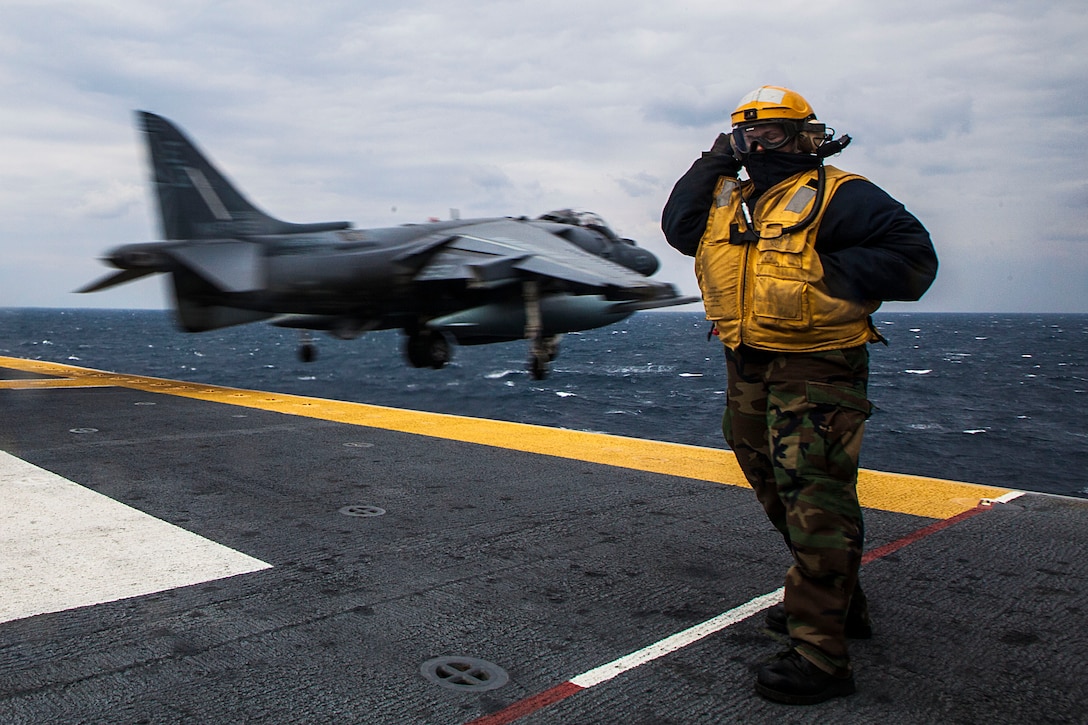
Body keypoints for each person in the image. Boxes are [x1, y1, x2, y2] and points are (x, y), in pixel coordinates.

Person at [661, 86, 938, 705]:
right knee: (770, 478)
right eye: (748, 136)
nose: (760, 147)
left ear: (806, 137)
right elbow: (679, 230)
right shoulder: (731, 199)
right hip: (749, 362)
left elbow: (915, 261)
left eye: (775, 136)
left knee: (814, 495)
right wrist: (715, 161)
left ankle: (821, 654)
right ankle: (838, 606)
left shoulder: (841, 195)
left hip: (819, 367)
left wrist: (818, 275)